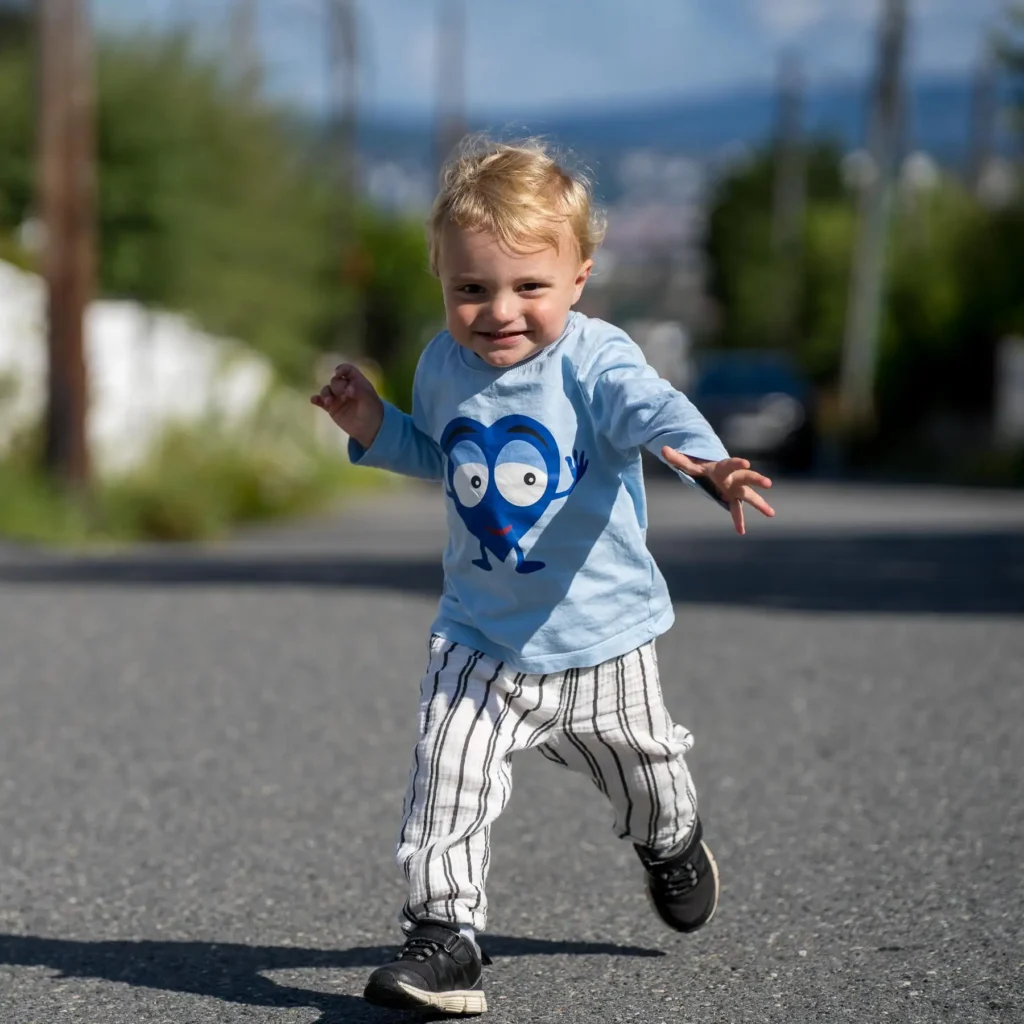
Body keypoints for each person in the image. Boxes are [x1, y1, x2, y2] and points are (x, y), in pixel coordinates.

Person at [312, 136, 775, 1017]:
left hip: (603, 642)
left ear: (578, 278)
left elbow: (654, 410)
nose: (498, 312)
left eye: (529, 287)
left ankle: (671, 840)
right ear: (443, 283)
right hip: (480, 636)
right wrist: (376, 423)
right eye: (471, 290)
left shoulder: (594, 361)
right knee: (444, 774)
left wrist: (711, 466)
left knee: (647, 778)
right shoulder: (443, 364)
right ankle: (443, 939)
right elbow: (447, 458)